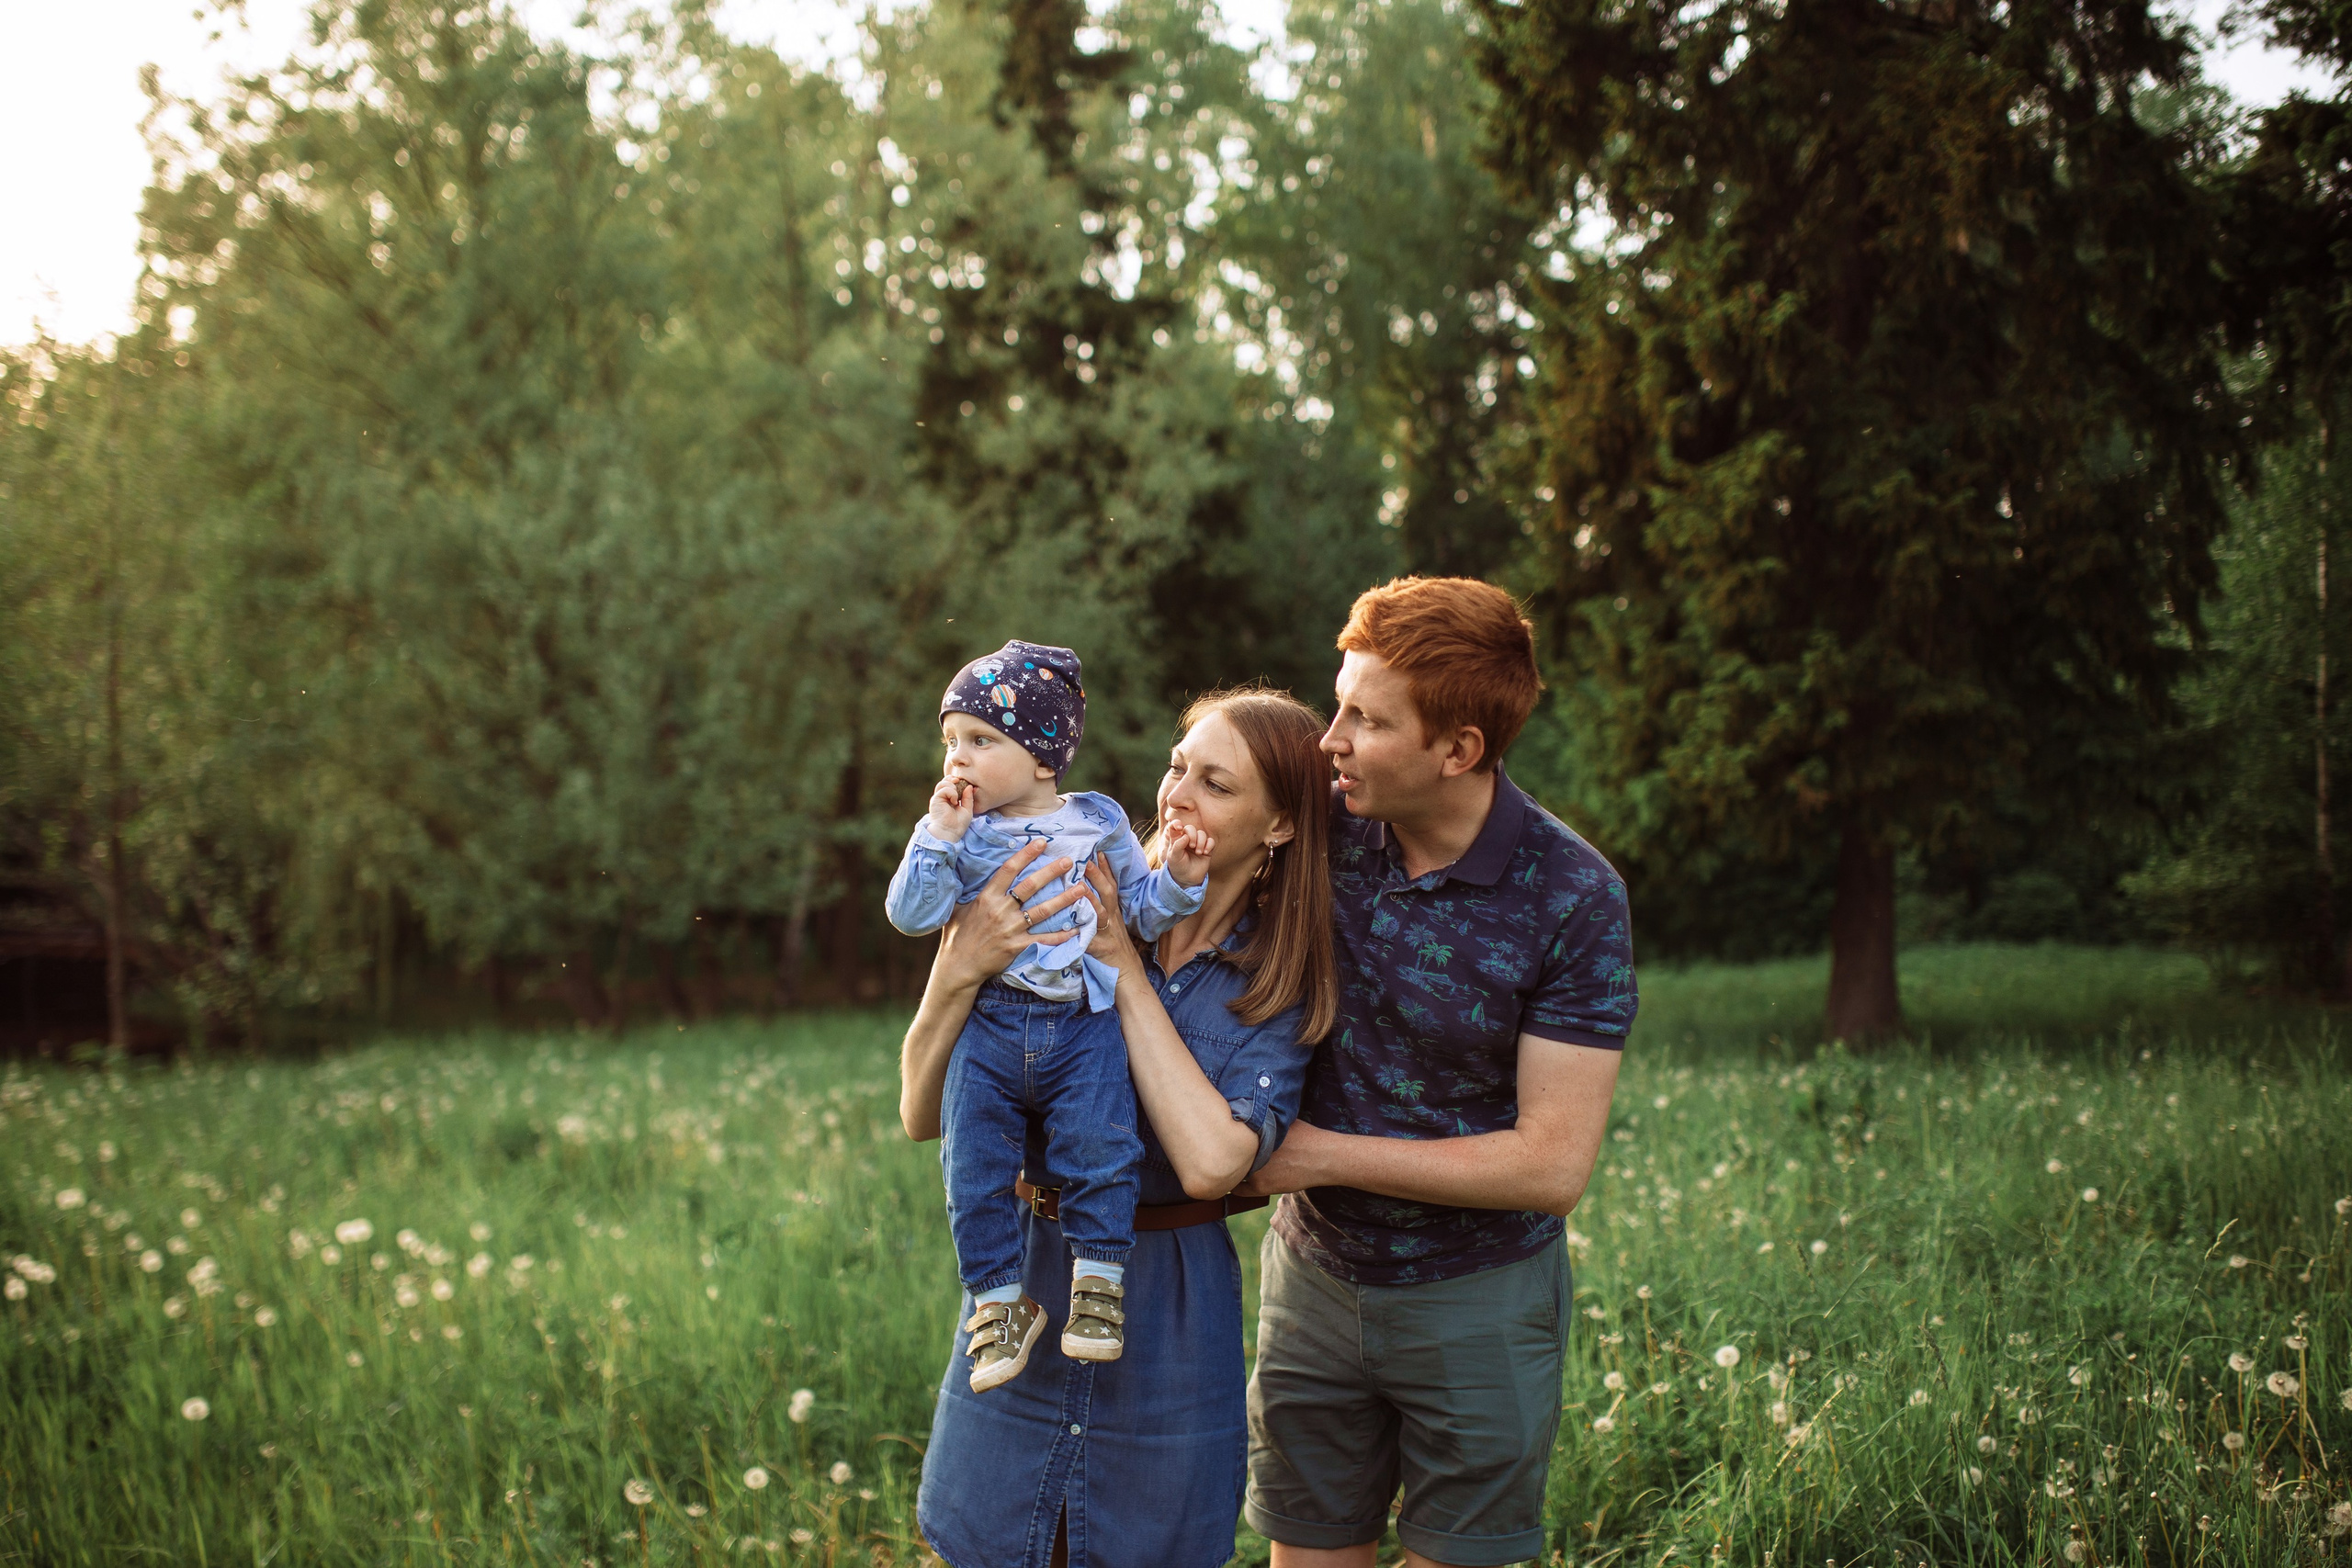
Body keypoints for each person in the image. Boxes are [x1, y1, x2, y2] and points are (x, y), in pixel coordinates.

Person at [1236, 577, 1638, 1568]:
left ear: (1457, 750)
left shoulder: (1573, 897)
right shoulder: (1316, 834)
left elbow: (1550, 1166)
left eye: (1366, 719)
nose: (1328, 738)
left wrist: (1315, 1155)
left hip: (1480, 1303)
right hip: (1313, 1286)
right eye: (1338, 702)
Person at [899, 688, 1339, 1568]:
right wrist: (961, 967)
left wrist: (1121, 968)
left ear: (1280, 825)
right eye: (1179, 766)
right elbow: (919, 1110)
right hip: (1024, 1280)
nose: (1178, 794)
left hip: (1167, 1310)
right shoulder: (1055, 885)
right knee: (991, 1542)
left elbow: (1216, 1159)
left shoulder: (1274, 976)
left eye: (1216, 784)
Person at [885, 639, 1213, 1388]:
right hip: (990, 1022)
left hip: (1082, 1020)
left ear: (1041, 758)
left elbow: (1140, 911)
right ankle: (1000, 1303)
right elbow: (912, 913)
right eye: (950, 743)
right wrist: (937, 838)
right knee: (973, 1164)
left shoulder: (1097, 820)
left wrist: (1182, 880)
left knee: (1100, 1146)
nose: (957, 760)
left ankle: (1098, 1286)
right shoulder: (958, 833)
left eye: (979, 740)